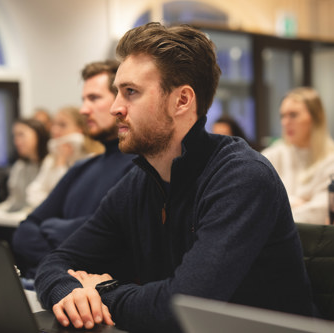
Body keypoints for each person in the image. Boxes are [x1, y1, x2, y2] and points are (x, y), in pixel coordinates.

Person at [34, 22, 315, 333]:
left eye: (131, 93)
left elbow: (182, 308)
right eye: (117, 92)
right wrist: (68, 292)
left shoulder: (242, 178)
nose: (115, 108)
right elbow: (56, 261)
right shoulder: (139, 181)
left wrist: (102, 292)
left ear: (182, 100)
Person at [12, 60, 135, 279]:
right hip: (46, 283)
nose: (84, 109)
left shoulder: (139, 169)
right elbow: (27, 228)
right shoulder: (82, 167)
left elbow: (103, 239)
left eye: (94, 98)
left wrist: (50, 227)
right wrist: (57, 266)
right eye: (83, 100)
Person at [262, 87, 334, 224]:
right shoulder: (272, 155)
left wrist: (280, 203)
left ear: (315, 118)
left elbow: (320, 213)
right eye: (282, 116)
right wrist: (298, 202)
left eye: (293, 115)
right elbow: (258, 200)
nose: (285, 122)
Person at [26, 106, 104, 208]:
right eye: (54, 124)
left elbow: (67, 198)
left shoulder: (92, 159)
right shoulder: (51, 159)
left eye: (62, 125)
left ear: (79, 129)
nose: (55, 130)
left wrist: (60, 165)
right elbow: (33, 193)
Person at [0, 118, 49, 219]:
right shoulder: (20, 166)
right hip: (18, 218)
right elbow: (14, 201)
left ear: (38, 134)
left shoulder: (50, 163)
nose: (16, 141)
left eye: (21, 134)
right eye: (15, 136)